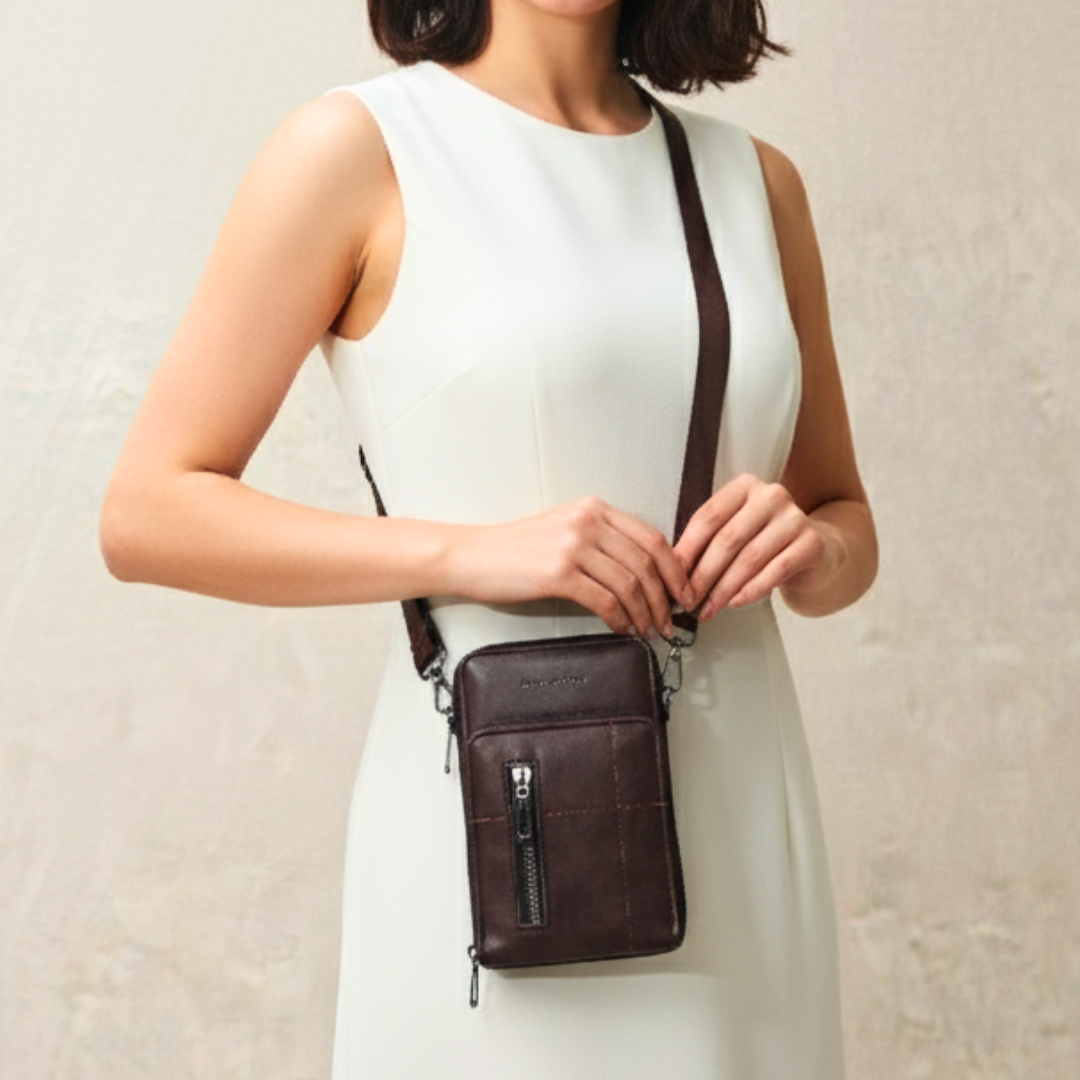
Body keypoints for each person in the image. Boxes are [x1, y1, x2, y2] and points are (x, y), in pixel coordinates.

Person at [100, 0, 878, 1073]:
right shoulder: (358, 148)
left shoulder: (755, 184)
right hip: (503, 836)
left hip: (743, 825)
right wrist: (469, 552)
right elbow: (147, 511)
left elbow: (844, 518)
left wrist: (813, 548)